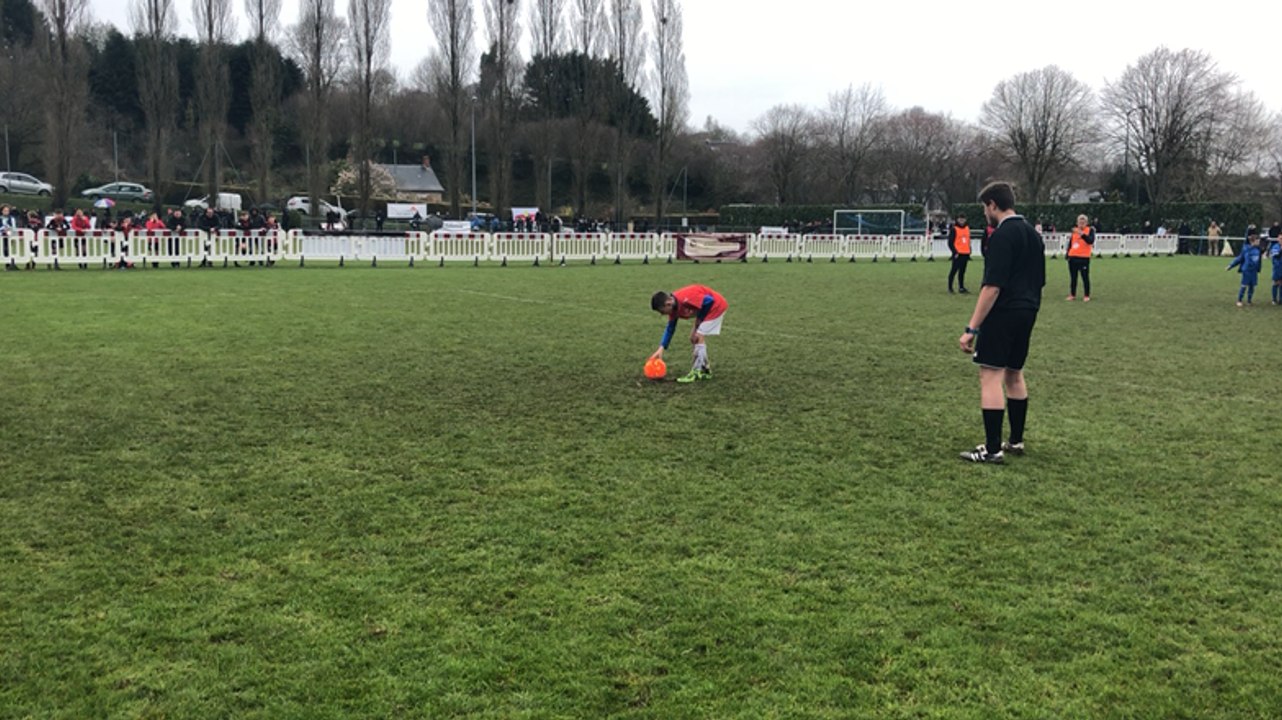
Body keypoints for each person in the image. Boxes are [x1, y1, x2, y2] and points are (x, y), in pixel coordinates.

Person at [957, 181, 1045, 464]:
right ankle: (1016, 441)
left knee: (990, 374)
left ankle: (992, 448)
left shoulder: (1002, 236)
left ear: (993, 205)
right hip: (1028, 310)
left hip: (1003, 311)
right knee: (1014, 373)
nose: (985, 213)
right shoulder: (1034, 235)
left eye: (985, 208)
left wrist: (972, 328)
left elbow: (992, 287)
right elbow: (1039, 280)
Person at [648, 284, 729, 384]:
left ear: (668, 303)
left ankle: (697, 371)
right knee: (694, 338)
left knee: (698, 336)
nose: (662, 314)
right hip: (707, 310)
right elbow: (670, 328)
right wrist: (661, 348)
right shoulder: (673, 309)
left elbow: (709, 301)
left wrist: (698, 322)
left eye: (661, 311)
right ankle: (705, 370)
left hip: (716, 307)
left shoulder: (685, 299)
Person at [1227, 231, 1263, 307]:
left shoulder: (1258, 250)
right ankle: (1239, 300)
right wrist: (1231, 265)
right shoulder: (1246, 249)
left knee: (1252, 286)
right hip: (1246, 270)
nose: (1259, 242)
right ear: (1253, 241)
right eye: (1257, 241)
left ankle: (1249, 301)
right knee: (1244, 285)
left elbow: (1259, 260)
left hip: (1254, 271)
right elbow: (1239, 258)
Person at [1066, 213, 1095, 302]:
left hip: (1084, 257)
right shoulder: (1074, 231)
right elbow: (1071, 243)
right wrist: (1067, 254)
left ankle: (1086, 295)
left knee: (1085, 277)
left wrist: (1082, 234)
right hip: (1073, 257)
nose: (1081, 224)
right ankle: (1072, 294)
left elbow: (1090, 241)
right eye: (1080, 222)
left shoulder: (1090, 230)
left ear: (1086, 223)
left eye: (1083, 222)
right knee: (1073, 277)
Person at [947, 215, 972, 294]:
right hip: (958, 253)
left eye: (963, 219)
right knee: (954, 271)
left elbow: (968, 240)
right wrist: (955, 252)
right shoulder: (954, 229)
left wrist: (969, 249)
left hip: (965, 253)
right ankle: (950, 288)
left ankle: (961, 287)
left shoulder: (967, 228)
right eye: (960, 219)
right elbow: (950, 242)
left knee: (962, 271)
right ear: (957, 220)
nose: (962, 221)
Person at [1269, 235, 1282, 305]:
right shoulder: (1275, 247)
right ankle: (1274, 299)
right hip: (1277, 268)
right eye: (1280, 239)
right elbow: (1276, 256)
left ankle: (1281, 299)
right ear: (1278, 239)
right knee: (1275, 283)